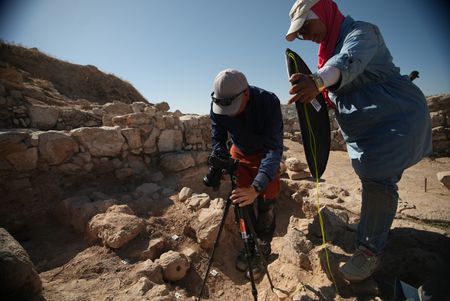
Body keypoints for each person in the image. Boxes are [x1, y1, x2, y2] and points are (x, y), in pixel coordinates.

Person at [285, 0, 432, 282]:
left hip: (397, 120)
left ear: (325, 13)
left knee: (378, 179)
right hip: (368, 131)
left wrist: (317, 81)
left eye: (306, 26)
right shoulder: (324, 54)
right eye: (299, 33)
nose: (304, 35)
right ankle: (373, 227)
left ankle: (368, 251)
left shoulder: (361, 33)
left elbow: (347, 61)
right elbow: (337, 89)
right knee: (374, 176)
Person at [208, 69, 283, 279]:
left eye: (233, 107)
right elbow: (218, 138)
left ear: (246, 94)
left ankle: (262, 246)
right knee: (242, 203)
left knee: (266, 201)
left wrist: (256, 186)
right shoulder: (219, 104)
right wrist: (219, 154)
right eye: (224, 108)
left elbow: (273, 149)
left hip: (265, 155)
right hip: (239, 154)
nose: (229, 113)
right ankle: (249, 243)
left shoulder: (268, 103)